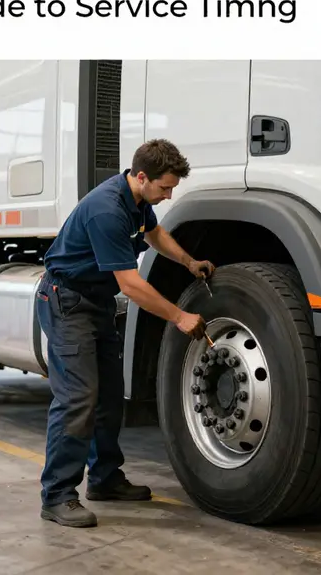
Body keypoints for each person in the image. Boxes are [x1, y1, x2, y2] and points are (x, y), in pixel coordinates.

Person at [36, 138, 215, 528]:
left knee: (110, 398)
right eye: (165, 188)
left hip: (94, 302)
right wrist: (178, 316)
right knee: (78, 399)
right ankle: (57, 495)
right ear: (141, 176)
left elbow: (154, 234)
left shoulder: (138, 201)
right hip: (66, 301)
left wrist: (187, 261)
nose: (168, 196)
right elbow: (131, 285)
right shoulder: (106, 210)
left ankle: (104, 479)